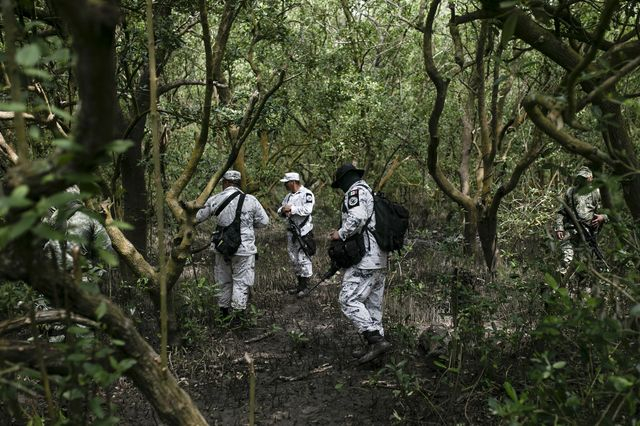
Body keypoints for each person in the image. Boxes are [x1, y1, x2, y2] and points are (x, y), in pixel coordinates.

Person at [329, 163, 391, 363]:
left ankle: (375, 340)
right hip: (379, 258)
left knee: (348, 299)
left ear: (346, 179)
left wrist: (340, 233)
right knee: (373, 306)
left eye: (340, 184)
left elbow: (357, 218)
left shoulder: (356, 191)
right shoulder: (369, 192)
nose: (341, 189)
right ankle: (376, 353)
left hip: (365, 258)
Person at [196, 170, 269, 325]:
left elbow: (198, 217)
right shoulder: (251, 200)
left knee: (223, 281)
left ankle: (223, 316)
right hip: (244, 248)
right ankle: (238, 320)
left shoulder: (215, 199)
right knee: (241, 282)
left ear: (225, 182)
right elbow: (264, 222)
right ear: (238, 183)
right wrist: (248, 224)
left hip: (222, 248)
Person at [44, 185, 114, 278]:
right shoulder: (91, 218)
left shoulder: (46, 219)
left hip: (54, 280)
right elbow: (108, 251)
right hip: (84, 279)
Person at [554, 166, 609, 275]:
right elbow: (561, 211)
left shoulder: (596, 193)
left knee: (584, 265)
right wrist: (559, 228)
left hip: (587, 233)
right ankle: (559, 287)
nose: (582, 180)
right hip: (570, 231)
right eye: (580, 177)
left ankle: (580, 289)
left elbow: (608, 212)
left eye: (585, 178)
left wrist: (603, 217)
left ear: (590, 178)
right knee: (566, 259)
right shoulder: (570, 192)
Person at [277, 172, 315, 296]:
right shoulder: (288, 197)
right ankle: (299, 285)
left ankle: (306, 287)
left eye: (286, 183)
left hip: (304, 232)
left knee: (304, 258)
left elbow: (307, 210)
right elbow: (280, 210)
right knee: (294, 259)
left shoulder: (307, 194)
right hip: (291, 232)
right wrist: (283, 210)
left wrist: (291, 209)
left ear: (293, 182)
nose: (285, 185)